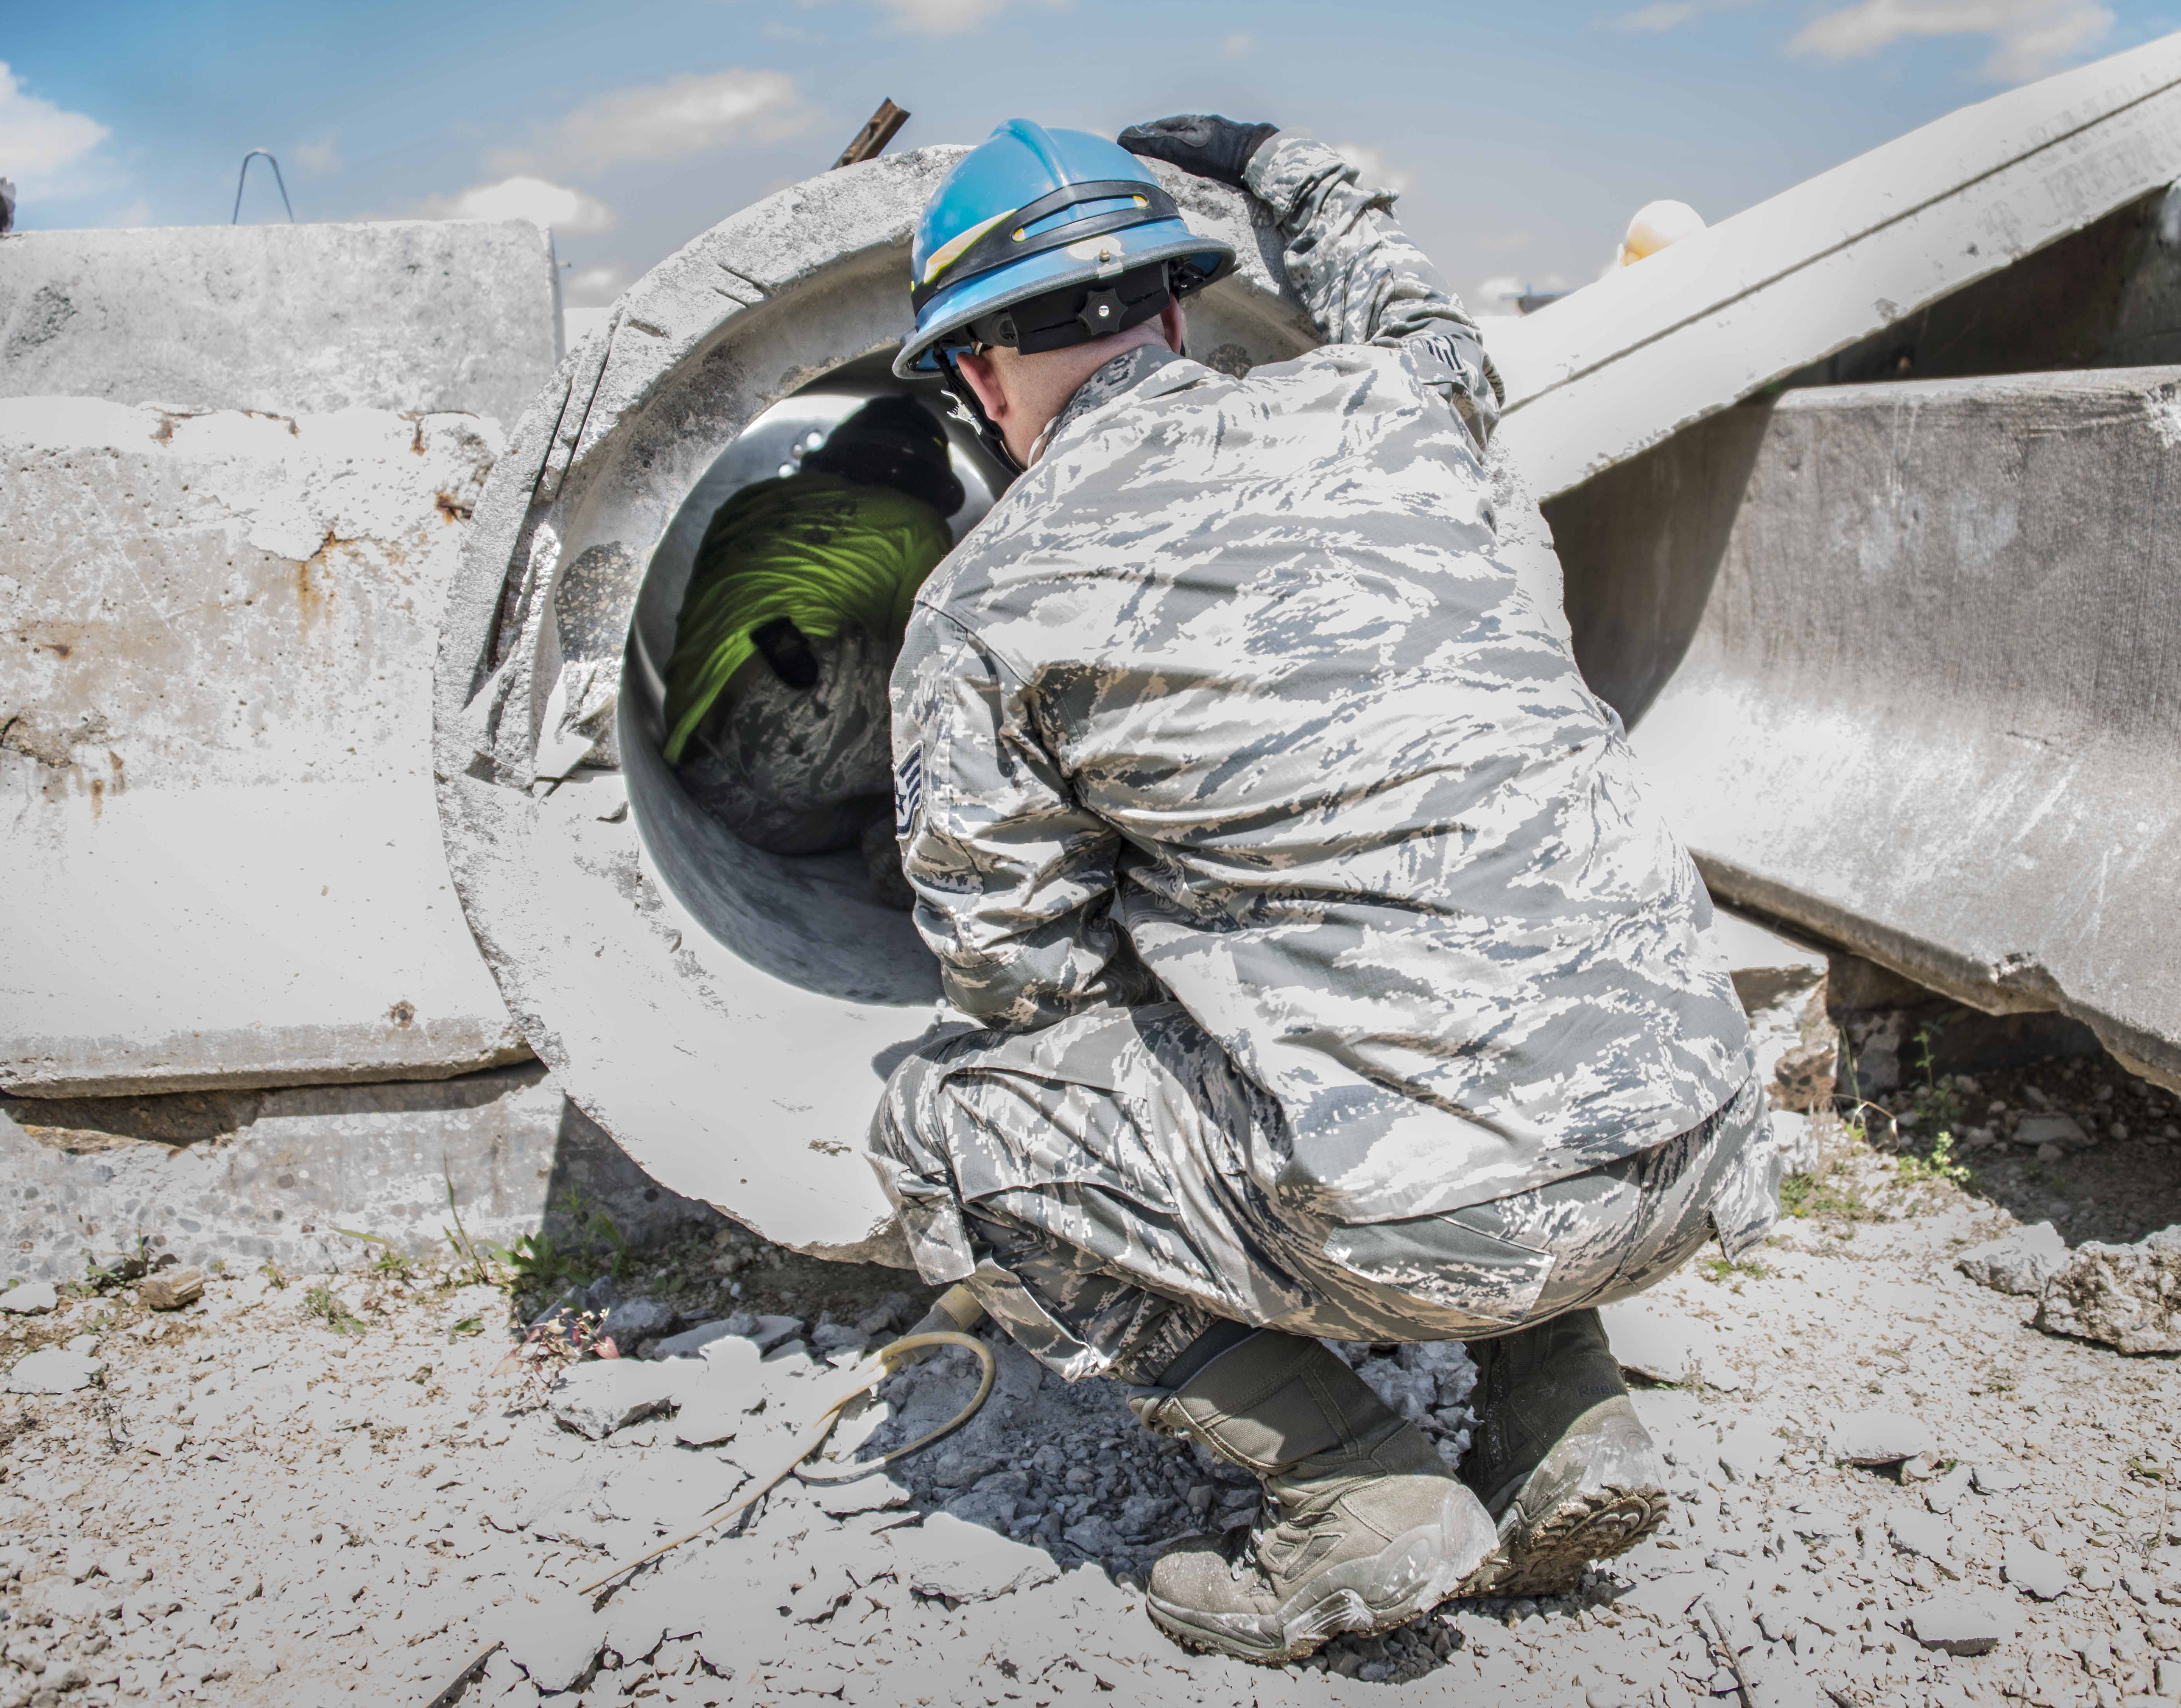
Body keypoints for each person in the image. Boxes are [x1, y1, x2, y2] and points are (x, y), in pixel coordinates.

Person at [867, 115, 1780, 1662]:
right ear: (1173, 315)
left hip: (1438, 1217)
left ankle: (1353, 1498)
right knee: (1456, 955)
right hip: (1692, 1138)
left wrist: (1185, 915)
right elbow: (1431, 326)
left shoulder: (983, 606)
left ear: (975, 376)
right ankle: (1561, 1410)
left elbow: (1014, 978)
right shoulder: (1392, 405)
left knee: (944, 1125)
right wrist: (1293, 171)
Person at [661, 395, 967, 907]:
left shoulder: (748, 501)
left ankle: (894, 842)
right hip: (799, 714)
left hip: (709, 774)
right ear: (928, 482)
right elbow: (922, 654)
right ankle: (939, 879)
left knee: (863, 799)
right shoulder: (917, 523)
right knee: (965, 692)